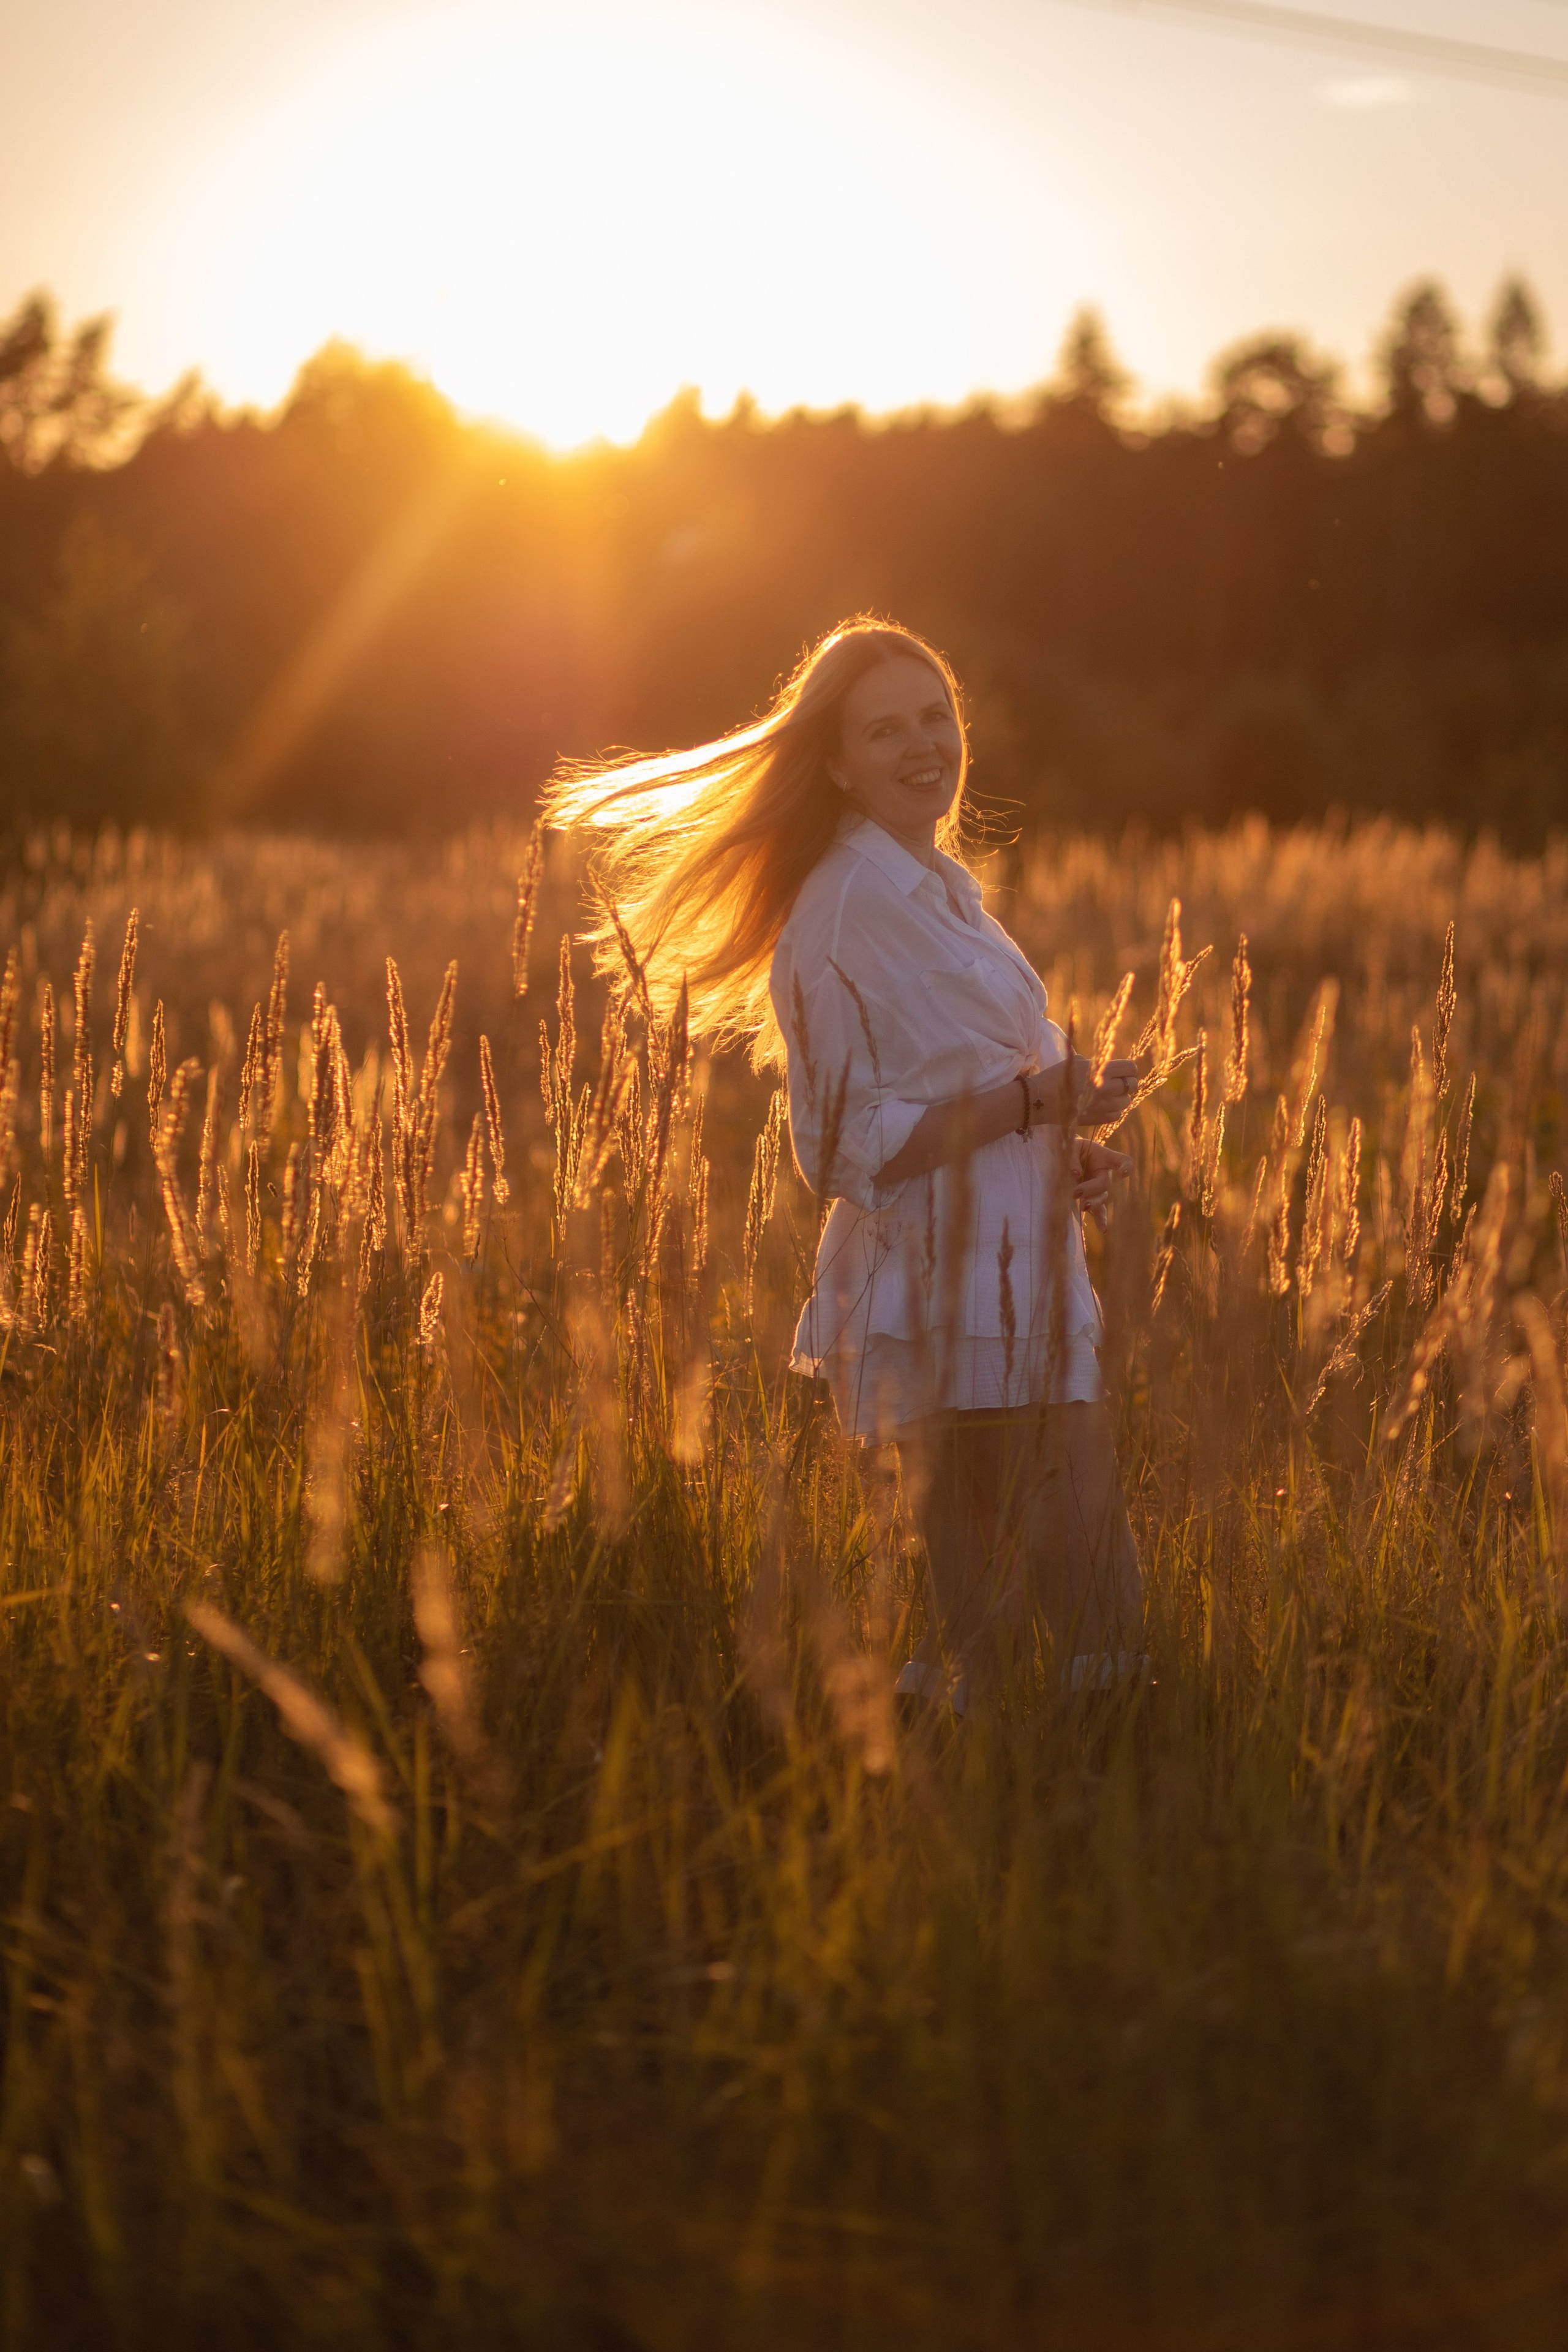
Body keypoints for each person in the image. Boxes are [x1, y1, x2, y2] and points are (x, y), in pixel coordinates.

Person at [545, 616, 1144, 1714]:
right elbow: (840, 1147)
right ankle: (1018, 1824)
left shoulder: (941, 888)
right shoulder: (845, 907)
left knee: (1058, 1616)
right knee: (1049, 1613)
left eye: (936, 717)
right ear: (833, 762)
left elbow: (972, 1079)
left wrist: (1073, 1139)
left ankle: (1043, 1811)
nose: (925, 746)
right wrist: (1031, 1101)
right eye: (885, 731)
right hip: (943, 1288)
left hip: (1016, 1267)